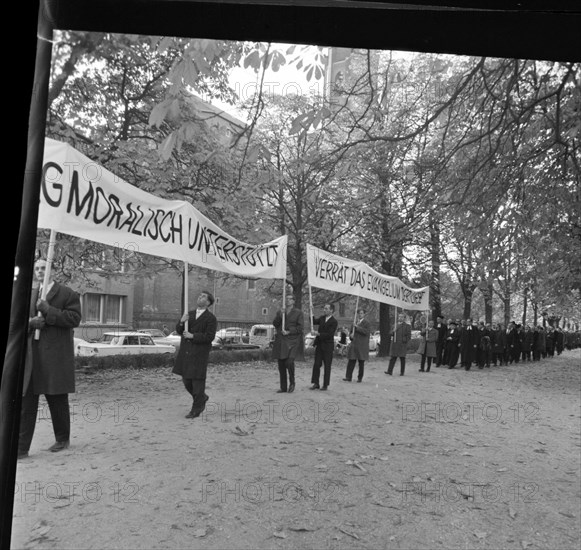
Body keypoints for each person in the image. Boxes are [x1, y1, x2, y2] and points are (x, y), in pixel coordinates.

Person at [18, 259, 82, 459]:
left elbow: (74, 319)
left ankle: (62, 439)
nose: (39, 271)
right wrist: (30, 322)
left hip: (54, 356)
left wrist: (47, 310)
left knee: (57, 399)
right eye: (36, 268)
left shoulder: (67, 294)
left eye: (43, 268)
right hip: (31, 356)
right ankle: (21, 448)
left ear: (52, 271)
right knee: (26, 403)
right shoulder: (28, 293)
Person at [172, 290, 217, 419]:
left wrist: (193, 336)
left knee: (197, 384)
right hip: (186, 353)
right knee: (187, 381)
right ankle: (202, 398)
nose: (200, 297)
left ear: (208, 302)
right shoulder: (189, 314)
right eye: (200, 295)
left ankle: (196, 409)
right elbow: (180, 331)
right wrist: (181, 321)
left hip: (199, 354)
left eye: (203, 296)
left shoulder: (211, 318)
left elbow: (210, 336)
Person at [272, 295, 304, 393]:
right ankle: (283, 387)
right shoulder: (281, 311)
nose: (287, 300)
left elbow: (300, 328)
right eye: (287, 298)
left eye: (290, 299)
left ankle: (292, 382)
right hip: (282, 341)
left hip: (292, 341)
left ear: (294, 301)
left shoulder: (298, 313)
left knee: (289, 362)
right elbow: (275, 324)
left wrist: (289, 331)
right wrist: (280, 316)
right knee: (281, 363)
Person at [310, 304, 338, 390]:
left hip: (328, 346)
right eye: (324, 308)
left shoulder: (334, 321)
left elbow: (329, 335)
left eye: (326, 308)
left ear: (331, 310)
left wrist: (318, 334)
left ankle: (325, 385)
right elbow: (314, 321)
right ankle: (316, 383)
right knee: (317, 364)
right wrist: (311, 312)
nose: (324, 310)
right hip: (319, 345)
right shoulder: (322, 318)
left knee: (327, 365)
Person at [344, 308, 371, 382]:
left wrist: (357, 327)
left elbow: (366, 332)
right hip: (354, 345)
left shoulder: (367, 323)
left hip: (362, 345)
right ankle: (348, 377)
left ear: (364, 314)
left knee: (361, 362)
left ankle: (360, 378)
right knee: (351, 361)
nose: (360, 314)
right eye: (359, 313)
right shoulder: (354, 323)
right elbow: (351, 334)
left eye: (361, 313)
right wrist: (350, 335)